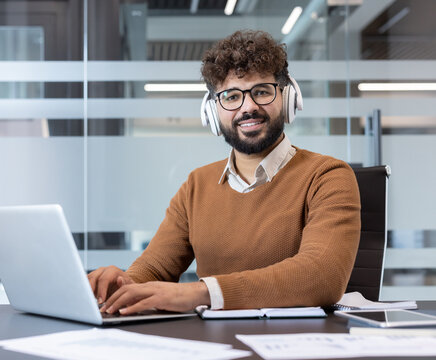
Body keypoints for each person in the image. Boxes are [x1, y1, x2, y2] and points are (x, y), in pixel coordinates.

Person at [88, 30, 361, 315]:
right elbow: (155, 268)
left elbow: (321, 276)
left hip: (295, 345)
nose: (249, 107)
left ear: (288, 97)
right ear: (212, 112)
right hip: (214, 347)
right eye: (231, 96)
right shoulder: (197, 185)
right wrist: (121, 283)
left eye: (262, 92)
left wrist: (201, 293)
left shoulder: (328, 176)